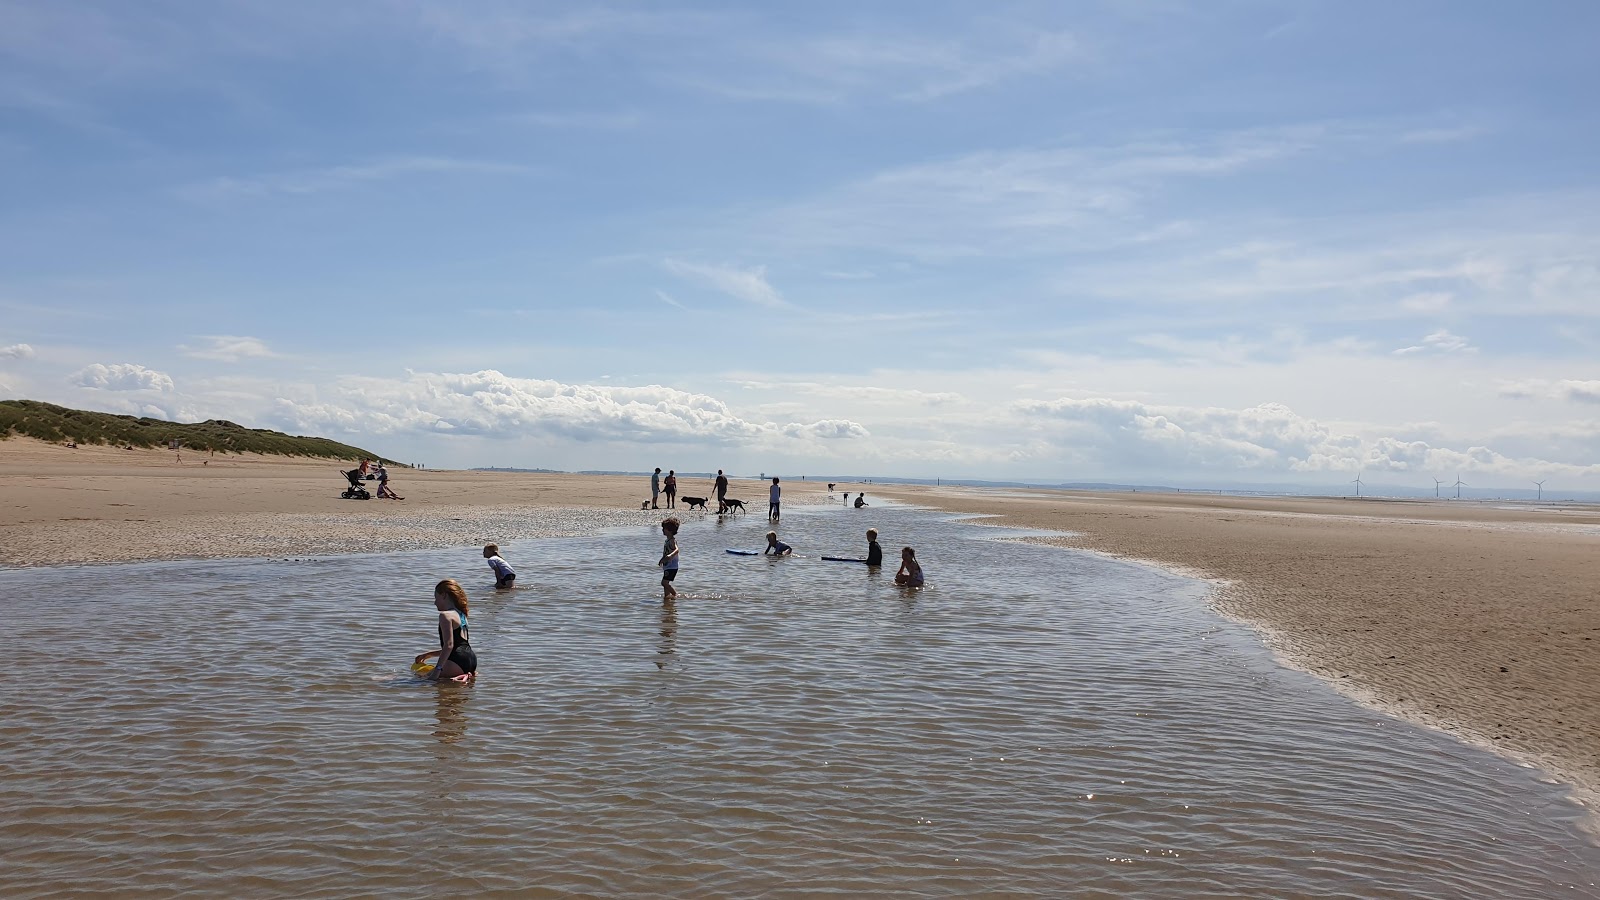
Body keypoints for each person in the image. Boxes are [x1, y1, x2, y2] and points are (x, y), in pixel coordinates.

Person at [415, 579, 477, 681]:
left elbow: (449, 645)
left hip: (457, 661)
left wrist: (437, 670)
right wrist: (428, 654)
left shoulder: (445, 615)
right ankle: (463, 676)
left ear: (444, 595)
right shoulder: (462, 614)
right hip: (471, 660)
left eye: (436, 598)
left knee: (419, 679)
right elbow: (459, 647)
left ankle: (382, 679)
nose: (435, 602)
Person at [658, 517, 681, 603]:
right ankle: (667, 599)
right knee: (665, 585)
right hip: (667, 566)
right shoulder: (667, 540)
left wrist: (670, 556)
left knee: (664, 583)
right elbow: (665, 553)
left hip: (672, 566)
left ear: (670, 530)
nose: (662, 530)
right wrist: (662, 560)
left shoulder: (672, 541)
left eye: (664, 529)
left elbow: (677, 550)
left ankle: (675, 595)